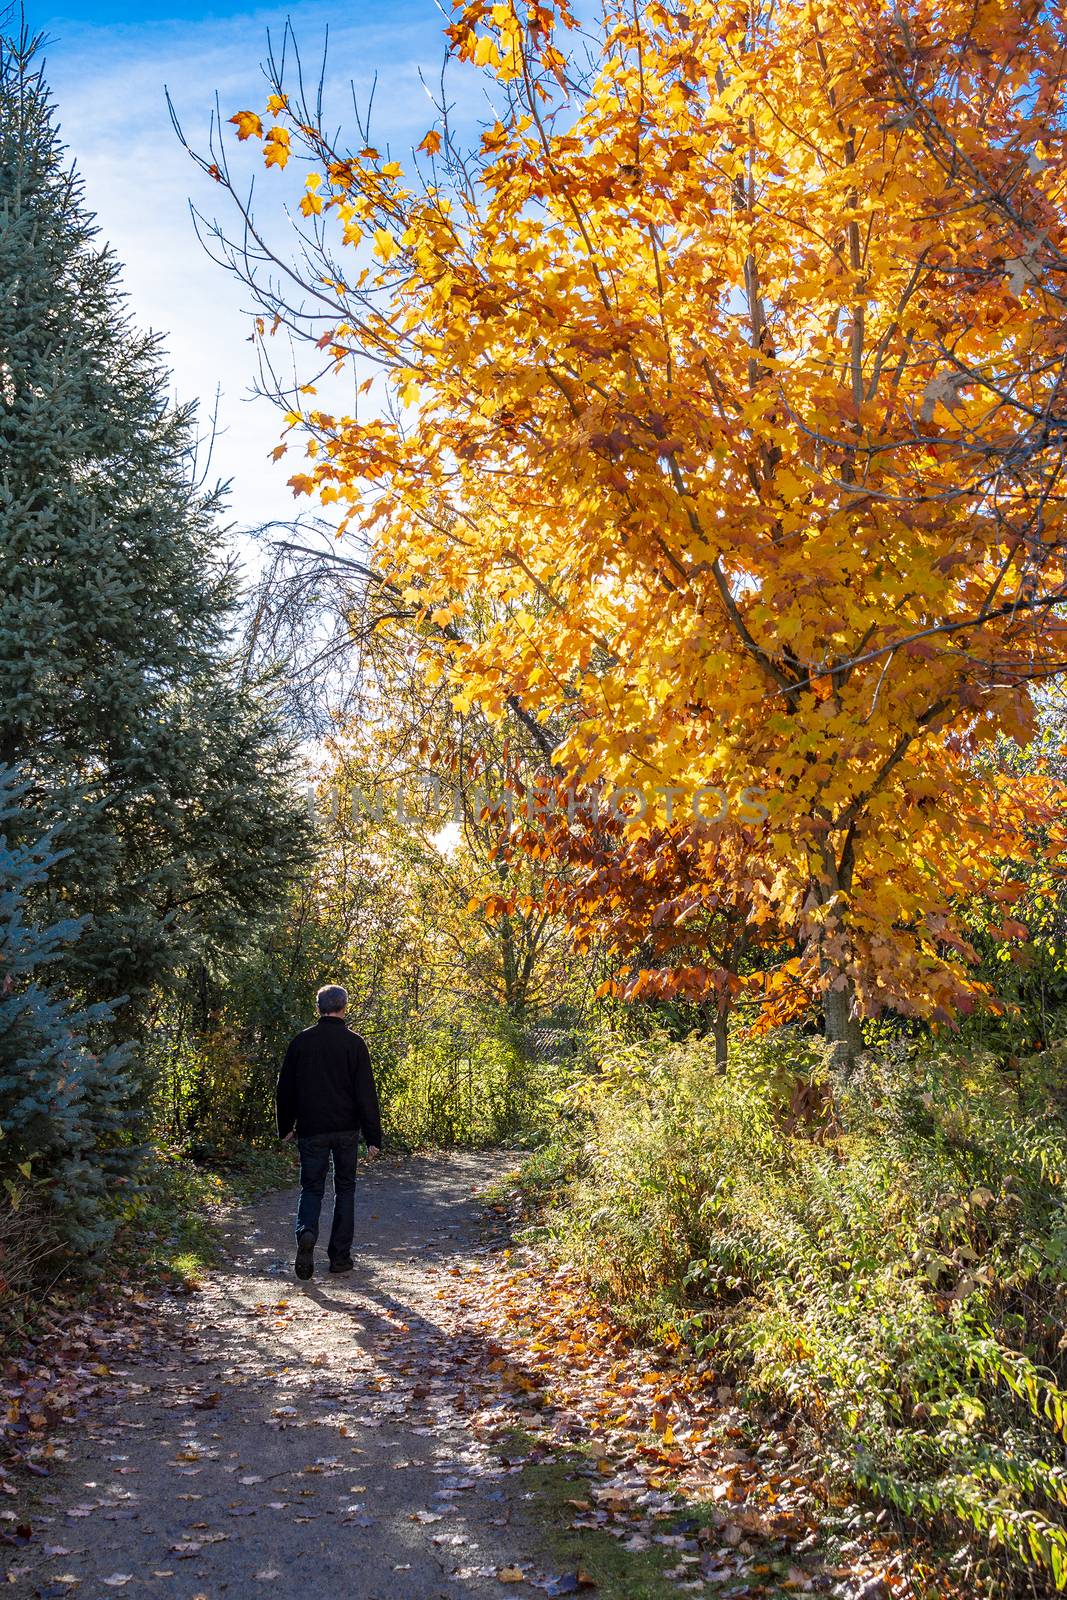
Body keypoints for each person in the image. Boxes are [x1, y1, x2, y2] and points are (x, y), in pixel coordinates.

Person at [276, 984, 382, 1280]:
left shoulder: (301, 1042)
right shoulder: (354, 1043)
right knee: (345, 1189)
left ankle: (307, 1232)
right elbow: (366, 1093)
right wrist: (374, 1136)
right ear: (344, 1007)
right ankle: (339, 1258)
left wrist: (285, 1126)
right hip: (347, 1129)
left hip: (311, 1128)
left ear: (318, 1007)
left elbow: (284, 1090)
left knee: (311, 1188)